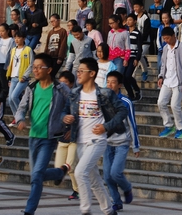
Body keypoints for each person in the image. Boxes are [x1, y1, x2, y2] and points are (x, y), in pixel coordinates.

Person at [62, 57, 128, 215]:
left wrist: (106, 126)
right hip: (80, 140)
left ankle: (85, 210)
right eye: (77, 71)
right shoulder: (74, 93)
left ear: (92, 73)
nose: (78, 74)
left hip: (97, 140)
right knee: (94, 179)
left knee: (80, 172)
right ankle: (109, 210)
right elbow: (64, 111)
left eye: (81, 71)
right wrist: (65, 118)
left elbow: (122, 111)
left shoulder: (105, 93)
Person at [15, 53, 71, 215]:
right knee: (36, 175)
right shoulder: (31, 88)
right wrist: (20, 119)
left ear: (49, 70)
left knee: (37, 175)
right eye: (34, 67)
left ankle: (29, 210)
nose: (36, 70)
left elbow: (73, 105)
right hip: (33, 136)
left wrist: (69, 127)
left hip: (49, 138)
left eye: (40, 67)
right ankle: (59, 172)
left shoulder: (60, 89)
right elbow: (21, 108)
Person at [104, 71, 139, 212]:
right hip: (107, 142)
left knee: (115, 173)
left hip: (122, 143)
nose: (110, 85)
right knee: (107, 176)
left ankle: (127, 187)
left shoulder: (126, 102)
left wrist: (136, 145)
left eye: (113, 82)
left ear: (119, 85)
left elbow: (132, 124)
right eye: (108, 82)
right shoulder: (103, 100)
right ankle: (116, 201)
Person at [157, 27, 182, 139]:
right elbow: (163, 64)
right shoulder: (165, 48)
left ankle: (180, 128)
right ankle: (169, 125)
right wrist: (161, 76)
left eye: (168, 38)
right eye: (164, 39)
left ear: (174, 36)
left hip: (178, 81)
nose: (166, 40)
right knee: (161, 103)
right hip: (167, 80)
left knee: (174, 105)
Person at [53, 71, 80, 200]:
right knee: (59, 168)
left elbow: (81, 117)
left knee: (70, 166)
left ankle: (77, 190)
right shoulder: (56, 98)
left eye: (65, 83)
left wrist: (73, 129)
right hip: (62, 138)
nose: (62, 85)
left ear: (72, 84)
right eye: (61, 82)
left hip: (74, 137)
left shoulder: (76, 97)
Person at [6, 30, 34, 121]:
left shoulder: (28, 50)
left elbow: (31, 64)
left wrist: (25, 76)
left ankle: (20, 115)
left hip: (22, 77)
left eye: (19, 38)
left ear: (24, 38)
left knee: (14, 96)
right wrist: (9, 77)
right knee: (10, 99)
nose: (17, 40)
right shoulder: (13, 50)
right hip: (13, 77)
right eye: (15, 38)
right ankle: (17, 118)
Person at [124, 14, 143, 101]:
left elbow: (139, 47)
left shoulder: (137, 33)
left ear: (135, 21)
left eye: (130, 20)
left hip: (133, 57)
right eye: (127, 20)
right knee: (123, 77)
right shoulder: (125, 32)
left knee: (128, 75)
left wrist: (137, 58)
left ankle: (137, 90)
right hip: (125, 57)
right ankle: (130, 95)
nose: (128, 22)